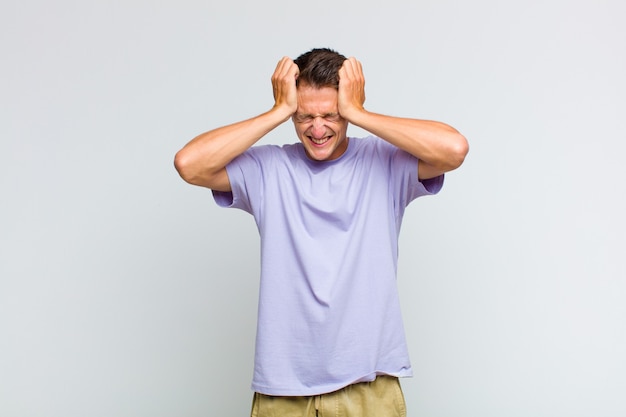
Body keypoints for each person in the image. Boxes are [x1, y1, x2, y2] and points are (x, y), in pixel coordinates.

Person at [174, 48, 468, 417]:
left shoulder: (385, 163)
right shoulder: (270, 169)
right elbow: (189, 164)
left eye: (330, 115)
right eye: (304, 117)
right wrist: (277, 111)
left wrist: (360, 113)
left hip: (368, 383)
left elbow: (454, 149)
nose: (317, 128)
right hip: (282, 389)